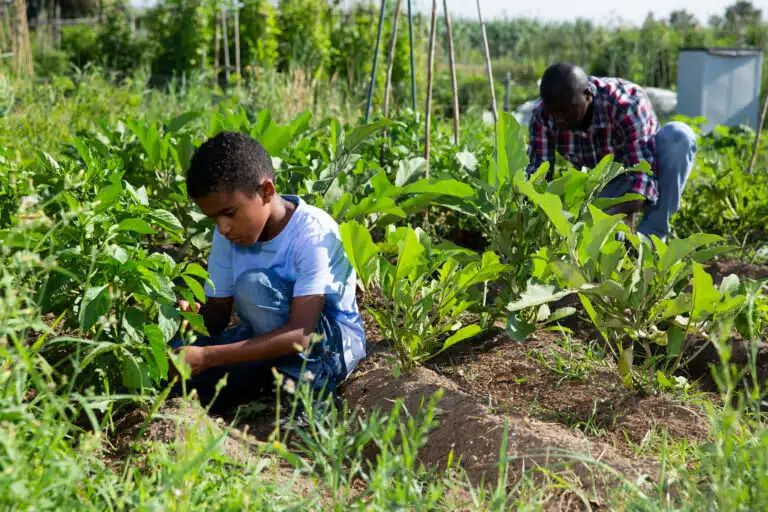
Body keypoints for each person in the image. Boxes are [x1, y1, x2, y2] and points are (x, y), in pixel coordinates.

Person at [170, 131, 366, 413]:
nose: (223, 227)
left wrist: (209, 356)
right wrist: (189, 321)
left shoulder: (312, 233)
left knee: (254, 285)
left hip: (328, 349)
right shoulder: (227, 235)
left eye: (229, 213)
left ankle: (313, 400)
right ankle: (273, 380)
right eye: (214, 218)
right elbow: (217, 317)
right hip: (265, 338)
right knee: (183, 370)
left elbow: (300, 334)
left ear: (266, 191)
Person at [526, 62, 697, 241]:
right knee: (602, 237)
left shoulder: (624, 102)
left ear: (587, 95)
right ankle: (623, 242)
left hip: (648, 168)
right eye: (554, 113)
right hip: (603, 182)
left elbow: (642, 174)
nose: (559, 119)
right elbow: (538, 176)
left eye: (567, 110)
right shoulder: (543, 116)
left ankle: (652, 239)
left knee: (678, 137)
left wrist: (619, 214)